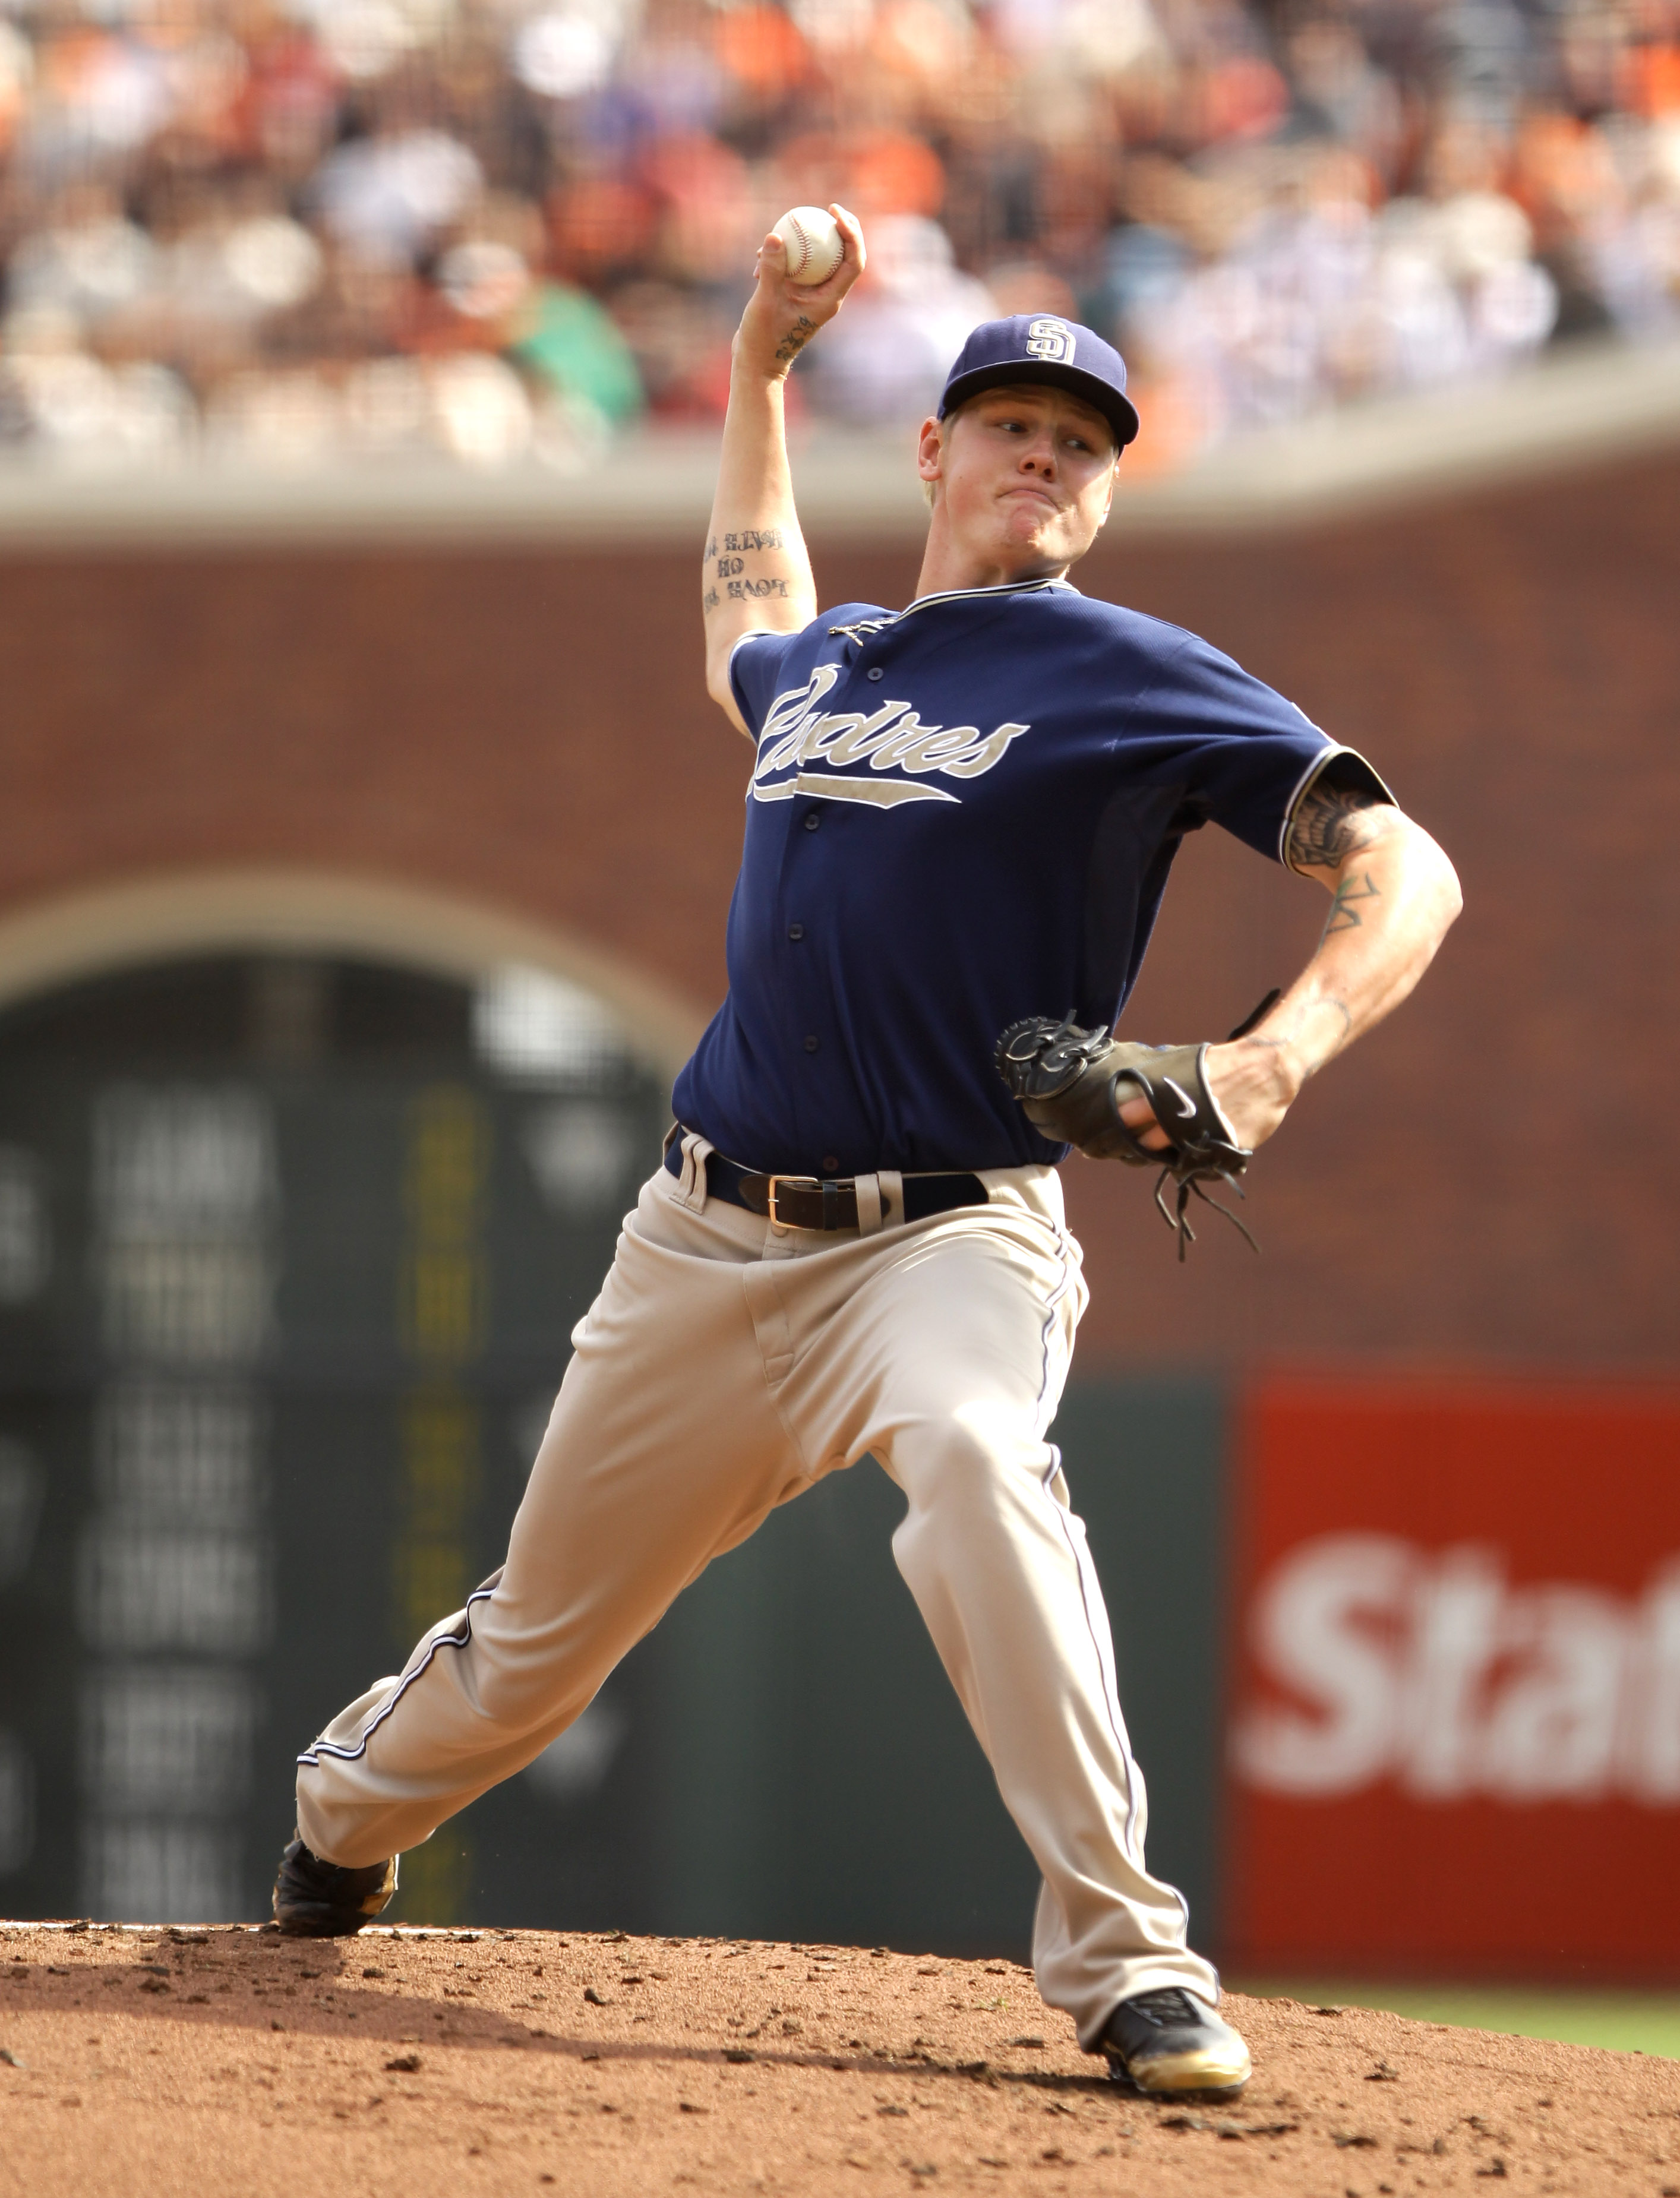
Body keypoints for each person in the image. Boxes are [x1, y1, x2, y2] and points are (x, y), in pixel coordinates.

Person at [274, 208, 1461, 2098]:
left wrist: (1273, 1061)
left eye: (1081, 442)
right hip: (703, 1236)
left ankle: (1127, 1963)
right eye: (1009, 424)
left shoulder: (1135, 676)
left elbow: (1410, 865)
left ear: (1101, 493)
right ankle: (344, 1816)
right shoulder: (826, 665)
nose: (1044, 458)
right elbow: (743, 603)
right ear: (934, 451)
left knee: (984, 1467)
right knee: (532, 1659)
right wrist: (753, 364)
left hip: (951, 1235)